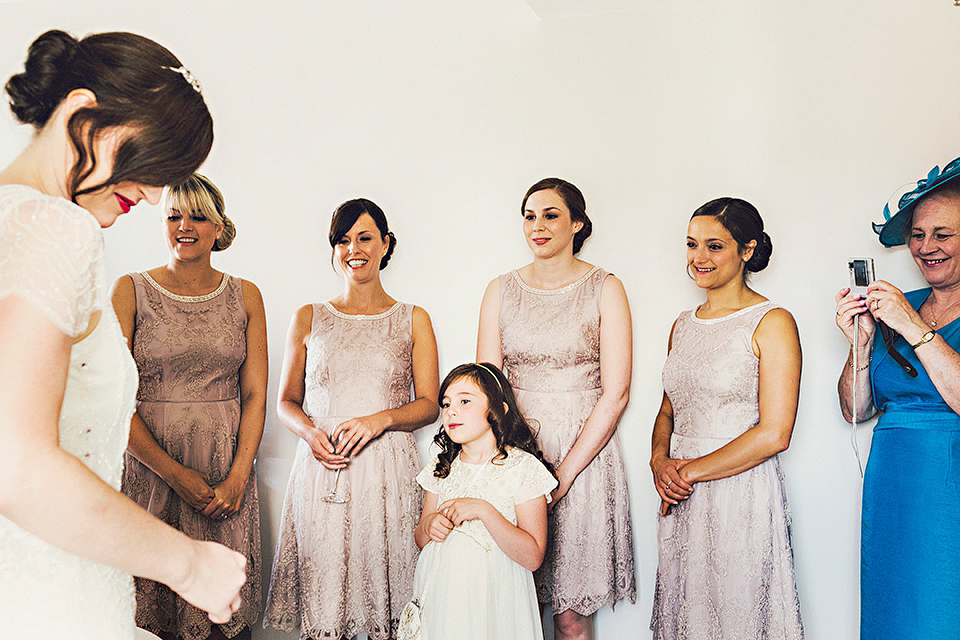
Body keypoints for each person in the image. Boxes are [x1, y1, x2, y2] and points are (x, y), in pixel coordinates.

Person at [0, 30, 245, 639]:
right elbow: (14, 463)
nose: (158, 193)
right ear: (85, 115)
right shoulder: (56, 229)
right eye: (153, 162)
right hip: (48, 597)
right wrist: (189, 564)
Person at [263, 198, 440, 639]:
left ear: (385, 245)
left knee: (388, 602)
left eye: (364, 237)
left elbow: (430, 404)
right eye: (343, 240)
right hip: (324, 467)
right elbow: (286, 400)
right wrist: (309, 432)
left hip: (387, 471)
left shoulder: (413, 318)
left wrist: (378, 420)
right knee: (325, 603)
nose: (353, 248)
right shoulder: (308, 316)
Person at [477, 177, 636, 639]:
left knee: (570, 618)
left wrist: (561, 475)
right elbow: (487, 385)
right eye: (529, 216)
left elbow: (616, 393)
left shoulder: (605, 287)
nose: (537, 226)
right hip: (516, 450)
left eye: (550, 215)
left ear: (577, 224)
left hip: (584, 457)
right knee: (512, 604)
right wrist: (509, 467)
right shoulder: (500, 289)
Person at [111, 174, 266, 640]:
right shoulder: (130, 289)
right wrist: (173, 474)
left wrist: (239, 476)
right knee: (150, 609)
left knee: (222, 614)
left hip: (225, 475)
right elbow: (114, 397)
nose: (185, 225)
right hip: (149, 468)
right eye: (174, 215)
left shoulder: (247, 295)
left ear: (218, 227)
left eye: (197, 216)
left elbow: (255, 394)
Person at [649, 197, 803, 639]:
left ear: (748, 250)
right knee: (687, 613)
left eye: (714, 246)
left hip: (739, 488)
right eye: (692, 245)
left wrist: (688, 473)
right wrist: (660, 463)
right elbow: (667, 410)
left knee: (737, 609)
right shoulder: (682, 324)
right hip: (678, 493)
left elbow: (775, 433)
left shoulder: (772, 321)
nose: (699, 258)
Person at [836, 156, 960, 640]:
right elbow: (856, 409)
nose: (926, 247)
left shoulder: (904, 313)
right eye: (917, 235)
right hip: (893, 484)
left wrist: (912, 325)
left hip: (949, 484)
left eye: (942, 234)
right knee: (895, 612)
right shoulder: (894, 308)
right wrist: (861, 344)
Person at [409, 362, 557, 640]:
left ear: (498, 410)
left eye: (465, 401)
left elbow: (534, 555)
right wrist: (429, 525)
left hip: (494, 601)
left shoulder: (522, 468)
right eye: (446, 404)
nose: (451, 410)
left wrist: (485, 511)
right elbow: (420, 538)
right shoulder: (441, 468)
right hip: (442, 598)